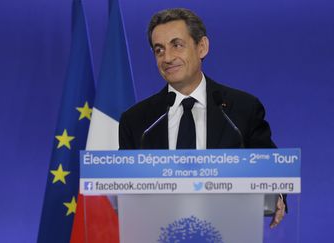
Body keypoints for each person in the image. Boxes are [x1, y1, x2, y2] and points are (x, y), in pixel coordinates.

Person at [118, 8, 286, 228]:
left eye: (177, 45)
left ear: (202, 47)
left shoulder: (242, 109)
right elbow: (123, 185)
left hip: (228, 230)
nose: (167, 58)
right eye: (159, 50)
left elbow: (268, 165)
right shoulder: (137, 121)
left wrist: (278, 194)